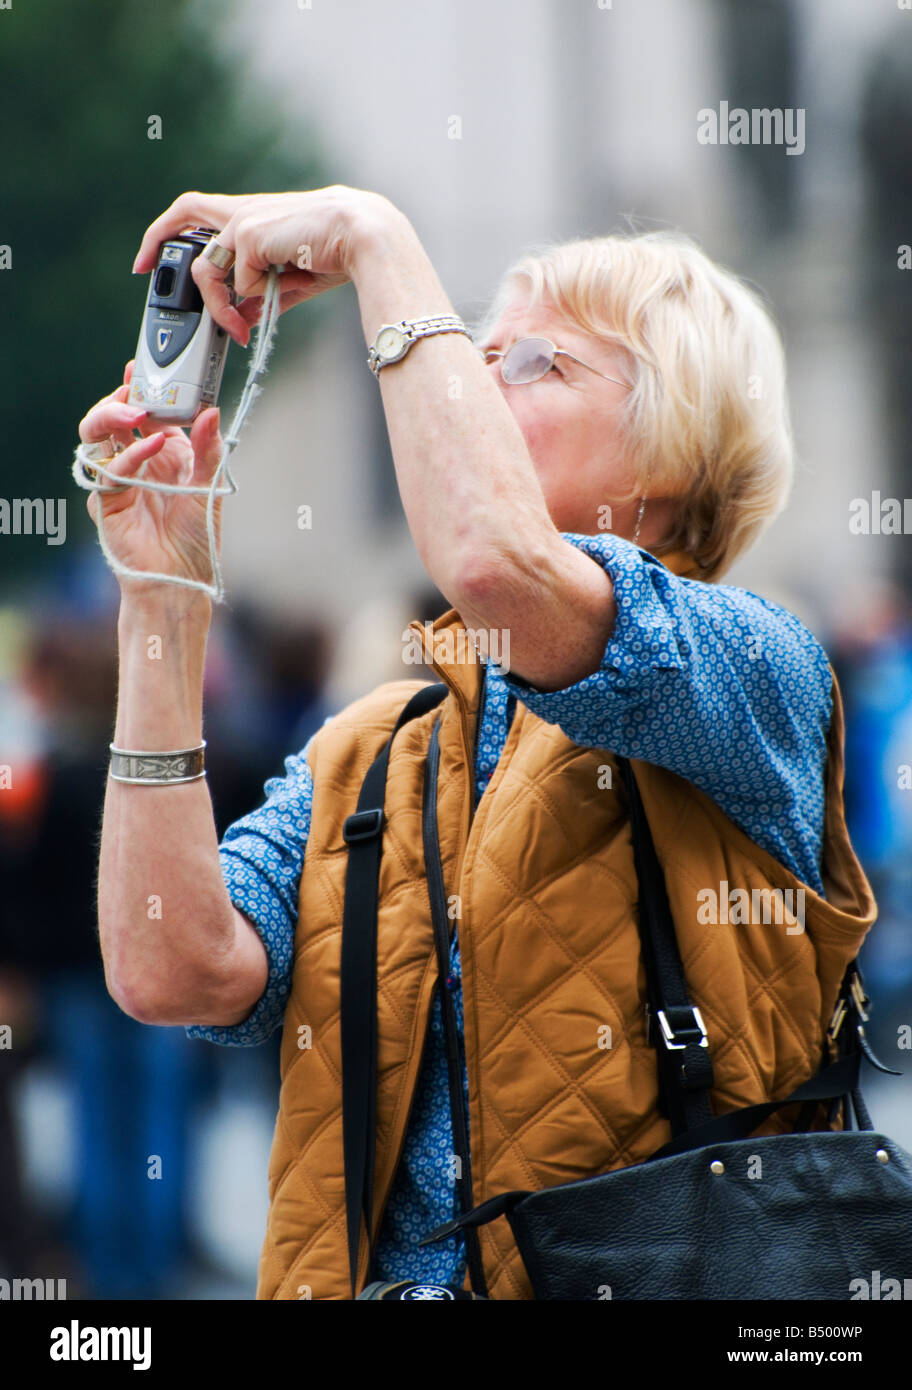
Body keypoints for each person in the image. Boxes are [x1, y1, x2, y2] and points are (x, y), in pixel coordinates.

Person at [82, 186, 876, 1301]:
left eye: (532, 362)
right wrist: (161, 598)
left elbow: (499, 567)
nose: (460, 380)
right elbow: (174, 968)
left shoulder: (759, 665)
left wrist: (373, 236)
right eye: (468, 351)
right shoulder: (374, 750)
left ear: (676, 454)